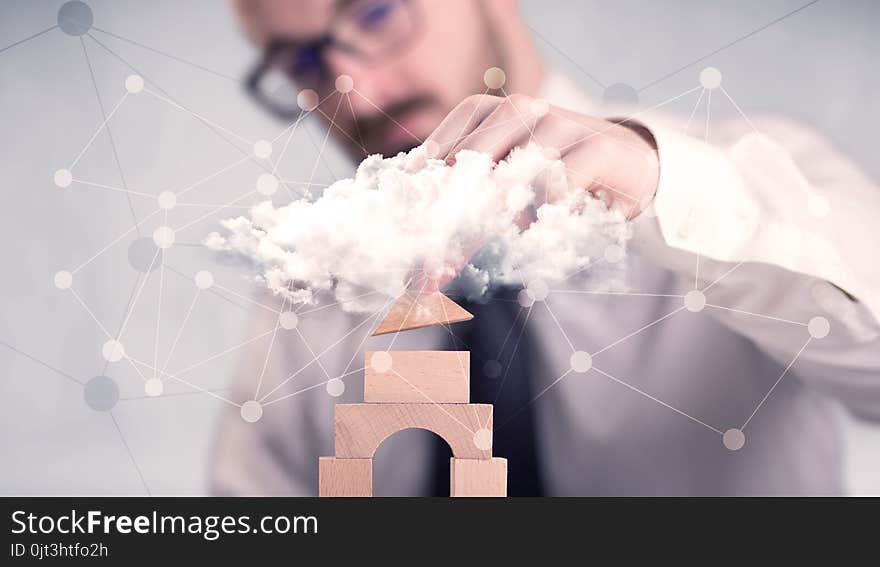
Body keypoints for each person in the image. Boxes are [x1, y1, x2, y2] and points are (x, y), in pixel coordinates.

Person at [211, 0, 880, 495]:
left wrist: (655, 184)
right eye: (302, 61)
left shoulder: (749, 182)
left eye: (378, 13)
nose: (357, 92)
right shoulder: (316, 293)